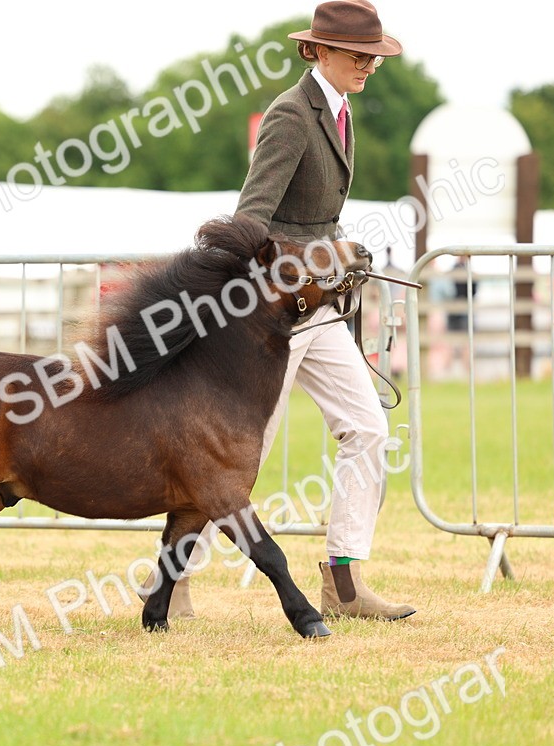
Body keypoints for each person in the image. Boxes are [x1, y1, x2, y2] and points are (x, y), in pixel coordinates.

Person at [172, 0, 414, 621]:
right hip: (272, 307)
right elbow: (252, 218)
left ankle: (343, 579)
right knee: (237, 452)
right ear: (319, 51)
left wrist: (335, 254)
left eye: (373, 57)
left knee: (368, 429)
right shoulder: (289, 114)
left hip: (318, 302)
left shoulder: (339, 111)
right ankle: (173, 580)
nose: (368, 66)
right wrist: (321, 253)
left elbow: (315, 213)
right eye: (357, 56)